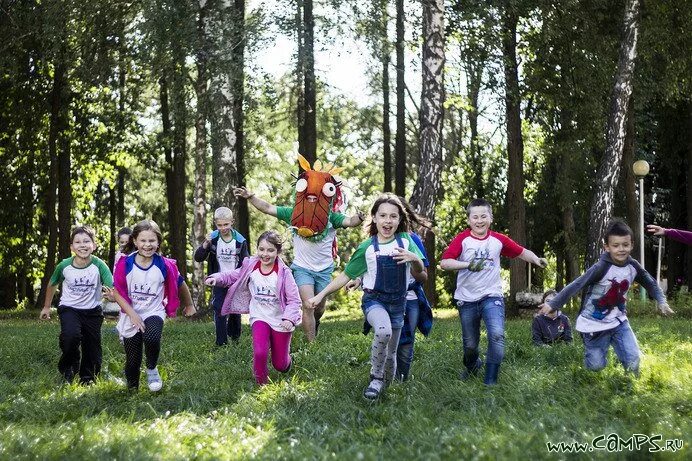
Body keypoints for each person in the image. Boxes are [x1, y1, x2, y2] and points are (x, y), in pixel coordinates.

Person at [308, 193, 425, 399]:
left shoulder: (407, 242)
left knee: (392, 353)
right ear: (374, 217)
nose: (387, 221)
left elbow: (421, 274)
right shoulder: (367, 248)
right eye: (383, 216)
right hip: (374, 301)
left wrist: (415, 259)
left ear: (399, 219)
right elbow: (345, 275)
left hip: (399, 303)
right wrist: (320, 296)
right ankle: (375, 378)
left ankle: (388, 386)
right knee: (383, 331)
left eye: (393, 216)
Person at [234, 178, 364, 342]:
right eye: (308, 197)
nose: (311, 200)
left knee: (319, 308)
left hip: (324, 270)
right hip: (302, 268)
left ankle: (316, 322)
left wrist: (358, 218)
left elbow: (350, 221)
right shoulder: (294, 214)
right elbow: (267, 208)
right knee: (308, 304)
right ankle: (311, 345)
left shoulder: (332, 217)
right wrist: (250, 197)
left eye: (315, 198)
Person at [539, 220, 674, 375]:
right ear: (607, 247)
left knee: (633, 359)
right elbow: (577, 284)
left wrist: (662, 301)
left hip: (618, 321)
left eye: (625, 245)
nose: (621, 249)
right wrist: (554, 303)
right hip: (593, 325)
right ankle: (591, 373)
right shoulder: (601, 267)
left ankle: (630, 384)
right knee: (596, 366)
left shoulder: (633, 266)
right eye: (615, 245)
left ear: (632, 244)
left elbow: (650, 282)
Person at [439, 198, 548, 385]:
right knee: (470, 346)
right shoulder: (462, 240)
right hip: (467, 299)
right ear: (469, 220)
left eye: (484, 216)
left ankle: (490, 381)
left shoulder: (498, 240)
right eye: (475, 217)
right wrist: (468, 265)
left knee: (497, 335)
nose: (479, 220)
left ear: (491, 218)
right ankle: (472, 366)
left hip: (492, 296)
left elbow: (521, 252)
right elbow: (444, 263)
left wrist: (537, 259)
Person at [205, 231, 302, 385]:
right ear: (257, 249)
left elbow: (294, 300)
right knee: (260, 352)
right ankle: (261, 385)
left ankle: (286, 363)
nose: (265, 254)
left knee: (280, 364)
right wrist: (217, 278)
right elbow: (233, 275)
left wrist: (289, 318)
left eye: (270, 250)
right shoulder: (251, 265)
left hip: (281, 320)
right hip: (259, 316)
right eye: (261, 249)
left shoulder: (284, 273)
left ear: (278, 252)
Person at [113, 220, 195, 391]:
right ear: (134, 241)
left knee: (151, 337)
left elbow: (180, 284)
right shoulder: (124, 263)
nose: (147, 245)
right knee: (133, 359)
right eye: (143, 240)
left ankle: (151, 368)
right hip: (130, 312)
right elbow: (118, 293)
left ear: (158, 242)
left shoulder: (165, 265)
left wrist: (189, 305)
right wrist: (132, 315)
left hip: (153, 311)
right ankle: (132, 389)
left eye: (152, 241)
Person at [40, 226, 114, 384]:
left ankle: (88, 378)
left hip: (93, 311)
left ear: (94, 245)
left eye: (87, 241)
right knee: (70, 338)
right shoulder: (64, 266)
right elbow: (53, 283)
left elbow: (111, 287)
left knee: (92, 347)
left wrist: (111, 295)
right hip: (69, 309)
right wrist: (47, 306)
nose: (82, 245)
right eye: (78, 242)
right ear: (72, 247)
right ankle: (69, 367)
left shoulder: (100, 266)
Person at [194, 207, 250, 346]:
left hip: (234, 280)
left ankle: (235, 338)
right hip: (218, 280)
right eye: (219, 225)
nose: (223, 228)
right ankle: (221, 343)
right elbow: (198, 257)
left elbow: (246, 262)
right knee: (219, 309)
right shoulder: (213, 238)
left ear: (232, 222)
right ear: (215, 223)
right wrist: (205, 244)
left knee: (234, 309)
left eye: (226, 224)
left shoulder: (240, 240)